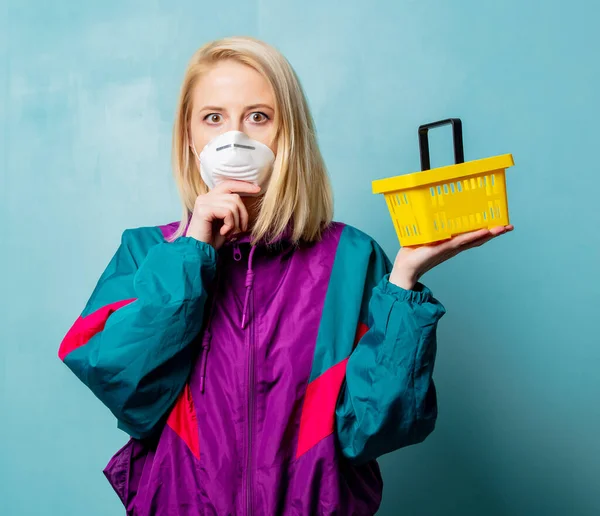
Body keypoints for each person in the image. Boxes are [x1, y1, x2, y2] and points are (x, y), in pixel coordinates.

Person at [58, 36, 512, 515]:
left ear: (288, 133)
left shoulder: (351, 259)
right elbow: (126, 390)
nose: (235, 138)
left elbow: (374, 430)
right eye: (213, 118)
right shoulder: (148, 252)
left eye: (258, 116)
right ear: (189, 138)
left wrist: (402, 283)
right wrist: (192, 252)